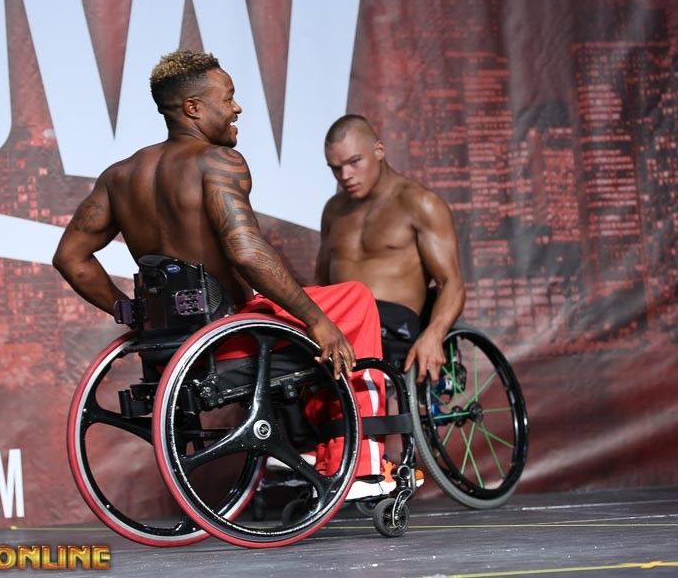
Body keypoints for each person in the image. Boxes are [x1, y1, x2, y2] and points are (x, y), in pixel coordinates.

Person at [52, 51, 388, 495]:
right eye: (228, 97)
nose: (237, 107)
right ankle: (363, 466)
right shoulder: (217, 162)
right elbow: (247, 253)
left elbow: (70, 257)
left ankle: (311, 449)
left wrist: (133, 313)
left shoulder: (119, 177)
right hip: (228, 339)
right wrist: (318, 321)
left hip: (172, 350)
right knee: (354, 300)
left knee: (308, 309)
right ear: (193, 107)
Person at [316, 114, 466, 385]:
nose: (345, 176)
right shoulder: (334, 210)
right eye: (335, 168)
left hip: (392, 326)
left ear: (379, 150)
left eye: (354, 162)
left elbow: (451, 283)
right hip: (341, 321)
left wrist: (434, 334)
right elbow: (321, 282)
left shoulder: (420, 203)